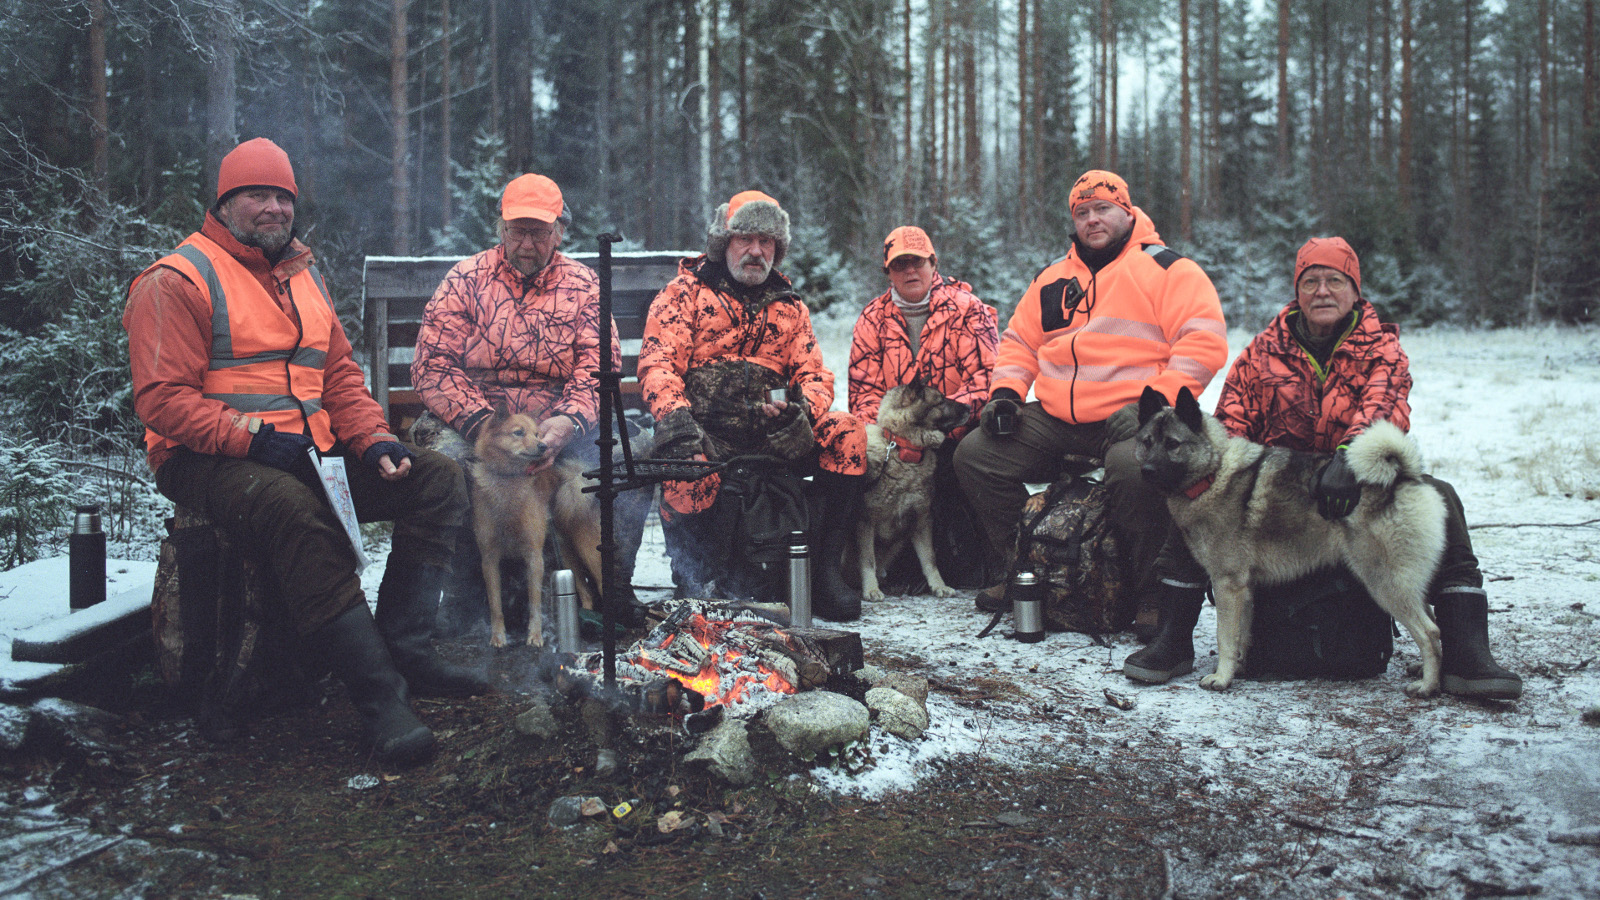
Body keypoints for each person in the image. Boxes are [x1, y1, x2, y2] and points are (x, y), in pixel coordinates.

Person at [122, 138, 484, 768]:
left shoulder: (302, 277)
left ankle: (407, 648)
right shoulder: (175, 280)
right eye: (256, 195)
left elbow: (339, 375)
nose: (272, 209)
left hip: (306, 449)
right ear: (225, 203)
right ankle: (379, 700)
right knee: (294, 512)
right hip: (207, 461)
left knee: (437, 478)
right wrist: (254, 438)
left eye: (282, 197)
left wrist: (372, 440)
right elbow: (162, 401)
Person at [1122, 237, 1522, 700]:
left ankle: (1467, 650)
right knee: (1196, 499)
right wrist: (1209, 478)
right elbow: (1226, 428)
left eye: (1335, 280)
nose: (1322, 291)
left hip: (1356, 480)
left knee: (1442, 495)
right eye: (1310, 281)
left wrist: (1349, 458)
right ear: (1298, 292)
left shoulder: (1382, 348)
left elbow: (1384, 409)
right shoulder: (1261, 353)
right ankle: (1173, 638)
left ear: (1355, 290)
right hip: (1280, 491)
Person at [954, 170, 1227, 613]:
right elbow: (1021, 343)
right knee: (977, 455)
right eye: (1082, 212)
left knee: (1138, 469)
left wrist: (1149, 405)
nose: (1092, 219)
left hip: (1132, 419)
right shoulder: (1053, 277)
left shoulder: (1168, 268)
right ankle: (1027, 570)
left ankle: (1149, 594)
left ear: (1126, 210)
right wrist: (1005, 394)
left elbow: (1204, 343)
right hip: (1057, 415)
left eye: (1103, 208)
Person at [409, 173, 653, 629]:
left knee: (631, 454)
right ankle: (472, 597)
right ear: (500, 229)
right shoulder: (465, 280)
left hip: (559, 423)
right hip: (484, 422)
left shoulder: (582, 286)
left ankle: (611, 587)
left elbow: (600, 366)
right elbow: (431, 366)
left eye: (539, 231)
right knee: (442, 463)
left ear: (559, 231)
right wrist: (487, 428)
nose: (527, 242)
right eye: (518, 229)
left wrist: (566, 423)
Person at [638, 190, 868, 621]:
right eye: (746, 239)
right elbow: (658, 363)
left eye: (767, 242)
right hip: (708, 432)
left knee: (848, 434)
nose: (756, 251)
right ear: (724, 242)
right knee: (680, 447)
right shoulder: (684, 293)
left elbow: (815, 375)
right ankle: (696, 574)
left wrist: (804, 415)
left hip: (772, 437)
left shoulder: (790, 307)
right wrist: (676, 417)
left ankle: (822, 570)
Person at [848, 225, 998, 587]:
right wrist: (892, 438)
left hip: (954, 430)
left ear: (934, 264)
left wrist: (937, 426)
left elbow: (987, 378)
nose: (910, 272)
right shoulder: (872, 319)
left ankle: (984, 558)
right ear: (888, 273)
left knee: (966, 463)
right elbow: (863, 393)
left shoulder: (968, 310)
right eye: (900, 265)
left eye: (918, 263)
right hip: (894, 441)